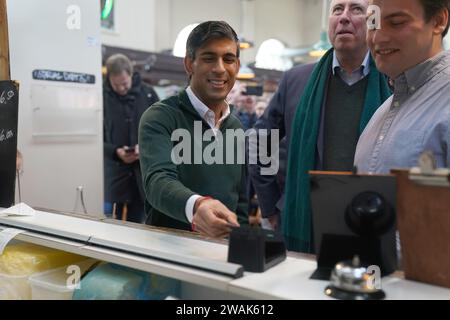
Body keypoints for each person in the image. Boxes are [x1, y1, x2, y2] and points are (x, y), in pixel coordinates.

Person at [250, 0, 392, 253]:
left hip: (371, 221)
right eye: (337, 9)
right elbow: (261, 142)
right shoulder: (296, 80)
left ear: (373, 21)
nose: (344, 17)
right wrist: (271, 205)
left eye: (356, 9)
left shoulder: (393, 82)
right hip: (304, 221)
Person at [138, 21, 248, 238]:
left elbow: (240, 199)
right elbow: (158, 181)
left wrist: (240, 243)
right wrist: (197, 207)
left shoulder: (236, 126)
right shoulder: (160, 117)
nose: (220, 68)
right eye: (209, 58)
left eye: (229, 59)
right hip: (171, 253)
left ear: (237, 65)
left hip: (222, 254)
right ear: (189, 64)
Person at [355, 0, 450, 173]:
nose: (377, 37)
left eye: (396, 23)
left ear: (438, 21)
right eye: (372, 24)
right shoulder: (381, 116)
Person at [103, 53, 159, 223]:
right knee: (114, 224)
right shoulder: (100, 97)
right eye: (116, 85)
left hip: (143, 174)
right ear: (109, 79)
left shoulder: (148, 94)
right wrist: (114, 151)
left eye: (124, 84)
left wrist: (145, 148)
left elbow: (162, 131)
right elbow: (94, 137)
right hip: (114, 173)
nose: (121, 89)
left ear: (131, 75)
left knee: (140, 223)